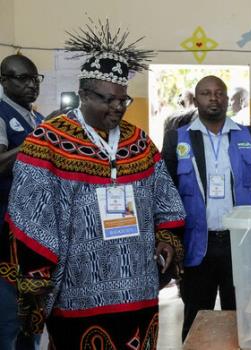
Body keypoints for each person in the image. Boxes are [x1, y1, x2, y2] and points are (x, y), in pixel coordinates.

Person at [5, 21, 186, 348]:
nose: (118, 108)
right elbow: (29, 213)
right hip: (78, 289)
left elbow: (166, 200)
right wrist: (38, 275)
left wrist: (167, 238)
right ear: (84, 95)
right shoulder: (47, 141)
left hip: (138, 287)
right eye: (108, 100)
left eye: (123, 100)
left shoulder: (138, 142)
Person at [162, 76, 251, 341]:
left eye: (219, 93)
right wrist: (170, 239)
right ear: (196, 100)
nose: (214, 98)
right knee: (196, 316)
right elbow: (167, 193)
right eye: (206, 93)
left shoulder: (249, 135)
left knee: (243, 318)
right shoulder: (177, 139)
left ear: (227, 98)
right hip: (198, 245)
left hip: (239, 245)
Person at [0, 54, 45, 350]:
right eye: (22, 78)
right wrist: (40, 137)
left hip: (37, 230)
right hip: (7, 233)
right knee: (9, 320)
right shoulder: (2, 113)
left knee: (34, 318)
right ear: (4, 81)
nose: (31, 85)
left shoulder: (36, 118)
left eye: (35, 78)